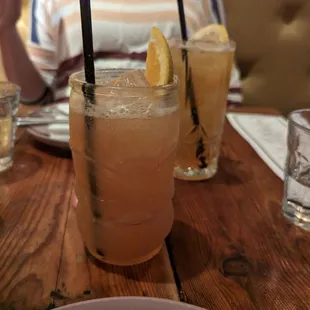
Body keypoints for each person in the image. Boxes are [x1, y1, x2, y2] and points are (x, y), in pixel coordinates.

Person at [0, 0, 241, 105]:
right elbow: (36, 96)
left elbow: (222, 88)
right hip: (71, 141)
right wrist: (6, 27)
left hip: (171, 142)